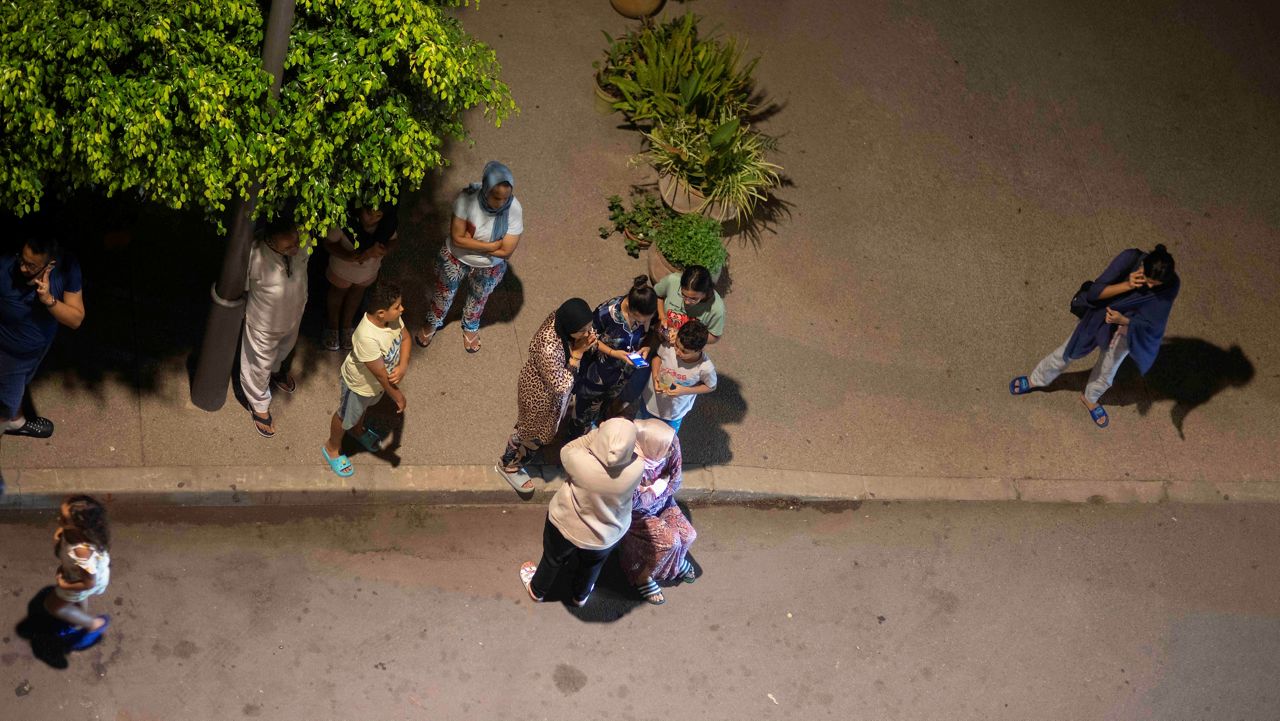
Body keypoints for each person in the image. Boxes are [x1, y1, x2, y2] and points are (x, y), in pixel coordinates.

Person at [1010, 245, 1180, 428]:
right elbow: (1095, 293)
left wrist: (1125, 321)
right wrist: (1128, 285)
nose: (1148, 286)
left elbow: (1154, 323)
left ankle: (1090, 398)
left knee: (1107, 371)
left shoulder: (1170, 286)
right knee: (1067, 353)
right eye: (1146, 280)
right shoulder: (1130, 258)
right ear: (1143, 265)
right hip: (1099, 318)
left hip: (1126, 330)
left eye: (1154, 285)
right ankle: (1036, 379)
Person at [519, 418, 645, 607]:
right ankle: (580, 595)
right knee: (591, 566)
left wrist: (596, 434)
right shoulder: (637, 467)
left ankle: (537, 590)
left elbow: (568, 448)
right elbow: (634, 452)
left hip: (566, 525)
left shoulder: (581, 462)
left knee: (552, 558)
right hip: (606, 536)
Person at [416, 161, 522, 353]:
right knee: (443, 293)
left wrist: (471, 243)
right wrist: (491, 246)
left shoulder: (514, 209)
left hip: (490, 266)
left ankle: (470, 325)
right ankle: (434, 320)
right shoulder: (466, 199)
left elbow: (506, 251)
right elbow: (457, 239)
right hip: (456, 258)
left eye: (506, 198)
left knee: (479, 298)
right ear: (486, 189)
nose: (501, 203)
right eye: (496, 197)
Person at [496, 299, 598, 493]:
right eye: (584, 330)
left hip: (550, 393)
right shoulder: (548, 347)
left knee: (539, 430)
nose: (588, 334)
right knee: (529, 433)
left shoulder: (562, 323)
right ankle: (508, 464)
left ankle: (524, 452)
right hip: (539, 396)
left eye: (590, 328)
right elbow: (561, 386)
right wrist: (577, 355)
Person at [322, 281, 410, 477]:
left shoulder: (392, 320)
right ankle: (332, 448)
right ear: (381, 313)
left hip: (375, 387)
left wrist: (402, 366)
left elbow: (405, 338)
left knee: (361, 410)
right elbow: (380, 374)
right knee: (344, 416)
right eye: (397, 307)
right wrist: (397, 396)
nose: (402, 309)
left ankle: (358, 429)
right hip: (358, 387)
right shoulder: (367, 338)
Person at [1, 237, 85, 439]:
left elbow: (75, 319)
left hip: (36, 350)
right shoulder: (4, 269)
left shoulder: (67, 266)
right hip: (9, 358)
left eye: (31, 265)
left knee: (19, 389)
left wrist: (49, 300)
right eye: (22, 259)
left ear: (51, 264)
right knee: (4, 410)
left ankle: (16, 421)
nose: (22, 268)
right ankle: (10, 421)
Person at [240, 215, 308, 438]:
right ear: (270, 240)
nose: (296, 248)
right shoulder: (254, 255)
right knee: (257, 365)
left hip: (292, 316)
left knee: (284, 349)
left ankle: (277, 370)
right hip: (263, 324)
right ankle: (259, 405)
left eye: (296, 241)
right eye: (288, 245)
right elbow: (240, 287)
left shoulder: (302, 244)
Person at [568, 276, 658, 436]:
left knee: (606, 401)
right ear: (630, 306)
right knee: (585, 408)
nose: (644, 322)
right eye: (639, 319)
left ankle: (595, 426)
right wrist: (613, 352)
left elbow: (650, 332)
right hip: (598, 371)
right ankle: (576, 436)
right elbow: (588, 338)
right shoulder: (607, 313)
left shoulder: (648, 308)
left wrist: (646, 347)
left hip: (622, 372)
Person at [621, 419, 697, 605]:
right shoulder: (629, 460)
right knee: (670, 542)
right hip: (636, 515)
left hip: (663, 502)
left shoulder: (669, 442)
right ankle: (642, 576)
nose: (670, 451)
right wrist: (660, 484)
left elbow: (676, 479)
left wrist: (653, 489)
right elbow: (635, 503)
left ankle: (672, 567)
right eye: (666, 449)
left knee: (688, 535)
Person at [323, 204, 399, 351]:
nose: (372, 219)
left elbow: (394, 240)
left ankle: (347, 325)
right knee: (337, 295)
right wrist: (348, 255)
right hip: (342, 271)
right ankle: (333, 326)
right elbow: (329, 243)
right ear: (360, 209)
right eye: (369, 214)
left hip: (367, 272)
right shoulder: (346, 224)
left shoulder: (384, 228)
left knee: (356, 295)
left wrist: (385, 249)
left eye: (378, 216)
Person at [44, 494, 112, 650]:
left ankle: (94, 624)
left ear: (80, 527)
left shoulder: (82, 551)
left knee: (53, 606)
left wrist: (63, 584)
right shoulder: (79, 532)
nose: (58, 520)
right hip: (87, 576)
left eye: (64, 520)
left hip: (78, 581)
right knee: (79, 599)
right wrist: (62, 532)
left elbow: (89, 583)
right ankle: (75, 620)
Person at [640, 319, 717, 433]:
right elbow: (658, 357)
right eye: (677, 345)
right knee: (640, 431)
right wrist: (655, 376)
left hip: (673, 412)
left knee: (665, 442)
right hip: (650, 402)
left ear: (699, 350)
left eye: (684, 351)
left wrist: (684, 390)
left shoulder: (705, 368)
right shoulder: (669, 346)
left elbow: (711, 386)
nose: (677, 352)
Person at [655, 265, 725, 345]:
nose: (687, 302)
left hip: (686, 347)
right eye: (683, 295)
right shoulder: (672, 281)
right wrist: (662, 316)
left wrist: (686, 338)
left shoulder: (717, 309)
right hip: (660, 334)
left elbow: (714, 337)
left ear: (706, 292)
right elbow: (658, 295)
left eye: (694, 298)